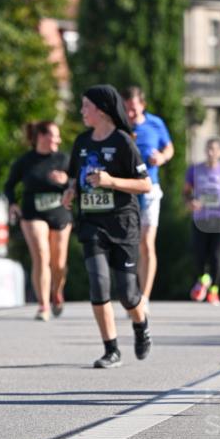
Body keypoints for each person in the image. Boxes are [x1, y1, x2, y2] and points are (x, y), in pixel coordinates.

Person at [63, 84, 151, 368]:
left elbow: (145, 184)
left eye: (85, 106)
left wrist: (111, 182)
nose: (81, 111)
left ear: (101, 110)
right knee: (99, 283)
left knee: (127, 293)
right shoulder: (82, 142)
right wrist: (70, 190)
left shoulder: (124, 142)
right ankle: (111, 348)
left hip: (123, 223)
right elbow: (74, 177)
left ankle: (141, 324)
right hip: (91, 223)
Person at [4, 121, 72, 320]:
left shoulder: (64, 159)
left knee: (58, 262)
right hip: (32, 212)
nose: (57, 140)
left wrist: (66, 181)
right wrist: (12, 203)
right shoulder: (25, 161)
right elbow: (9, 186)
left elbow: (78, 182)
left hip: (60, 211)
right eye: (53, 135)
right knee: (41, 256)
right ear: (40, 137)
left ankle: (57, 291)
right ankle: (43, 305)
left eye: (58, 136)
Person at [121, 86, 174, 305]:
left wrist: (161, 157)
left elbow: (169, 149)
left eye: (133, 109)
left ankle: (144, 297)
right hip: (126, 191)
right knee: (128, 244)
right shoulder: (119, 126)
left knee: (146, 243)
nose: (131, 114)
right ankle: (130, 290)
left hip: (151, 190)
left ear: (142, 105)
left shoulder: (155, 123)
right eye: (127, 110)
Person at [184, 138, 220, 305]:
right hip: (200, 218)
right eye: (208, 148)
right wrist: (190, 202)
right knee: (199, 254)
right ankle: (204, 279)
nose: (211, 152)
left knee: (215, 255)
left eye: (214, 149)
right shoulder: (195, 170)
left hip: (219, 217)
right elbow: (186, 192)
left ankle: (214, 290)